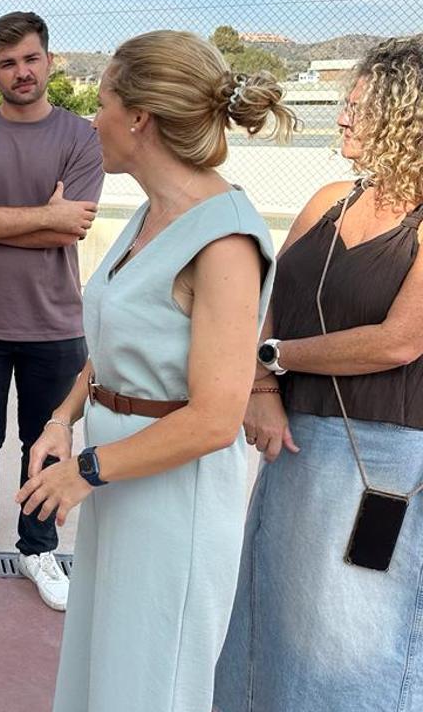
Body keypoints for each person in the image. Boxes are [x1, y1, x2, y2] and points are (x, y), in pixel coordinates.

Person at [16, 30, 296, 711]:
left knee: (151, 679)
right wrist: (61, 419)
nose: (92, 118)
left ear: (139, 116)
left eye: (103, 101)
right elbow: (115, 344)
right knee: (105, 664)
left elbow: (214, 418)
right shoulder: (151, 213)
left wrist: (84, 472)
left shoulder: (224, 239)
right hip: (119, 477)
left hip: (173, 499)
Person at [214, 36, 423, 712]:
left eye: (358, 106)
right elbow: (271, 306)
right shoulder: (329, 197)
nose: (341, 118)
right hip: (294, 445)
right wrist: (262, 387)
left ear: (406, 116)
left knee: (358, 638)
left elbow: (397, 342)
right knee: (272, 610)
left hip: (385, 466)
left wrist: (276, 359)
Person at [0, 11, 104, 611]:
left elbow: (70, 231)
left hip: (55, 323)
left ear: (49, 61)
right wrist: (43, 215)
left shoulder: (81, 137)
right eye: (7, 63)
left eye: (30, 59)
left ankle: (38, 549)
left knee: (46, 438)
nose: (21, 71)